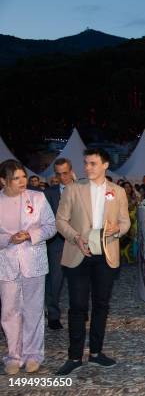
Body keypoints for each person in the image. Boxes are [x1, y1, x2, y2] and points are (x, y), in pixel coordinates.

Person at [55, 148, 130, 375]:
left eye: (93, 163)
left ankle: (96, 353)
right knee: (77, 306)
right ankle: (74, 356)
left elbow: (125, 222)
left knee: (101, 305)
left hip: (105, 256)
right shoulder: (72, 189)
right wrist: (76, 238)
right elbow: (60, 220)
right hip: (79, 254)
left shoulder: (118, 192)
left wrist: (117, 230)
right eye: (86, 163)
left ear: (105, 165)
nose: (88, 167)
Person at [0, 159, 56, 374]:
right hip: (7, 263)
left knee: (33, 309)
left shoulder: (38, 197)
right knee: (9, 311)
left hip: (34, 261)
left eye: (23, 176)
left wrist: (31, 235)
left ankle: (33, 354)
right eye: (16, 178)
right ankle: (13, 356)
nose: (22, 181)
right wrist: (8, 239)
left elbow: (50, 227)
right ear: (3, 181)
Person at [43, 157, 75, 330]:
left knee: (80, 281)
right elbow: (47, 220)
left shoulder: (82, 190)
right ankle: (53, 316)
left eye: (65, 173)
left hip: (79, 243)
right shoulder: (49, 193)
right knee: (55, 281)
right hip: (57, 244)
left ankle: (78, 312)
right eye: (58, 173)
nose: (62, 177)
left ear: (71, 171)